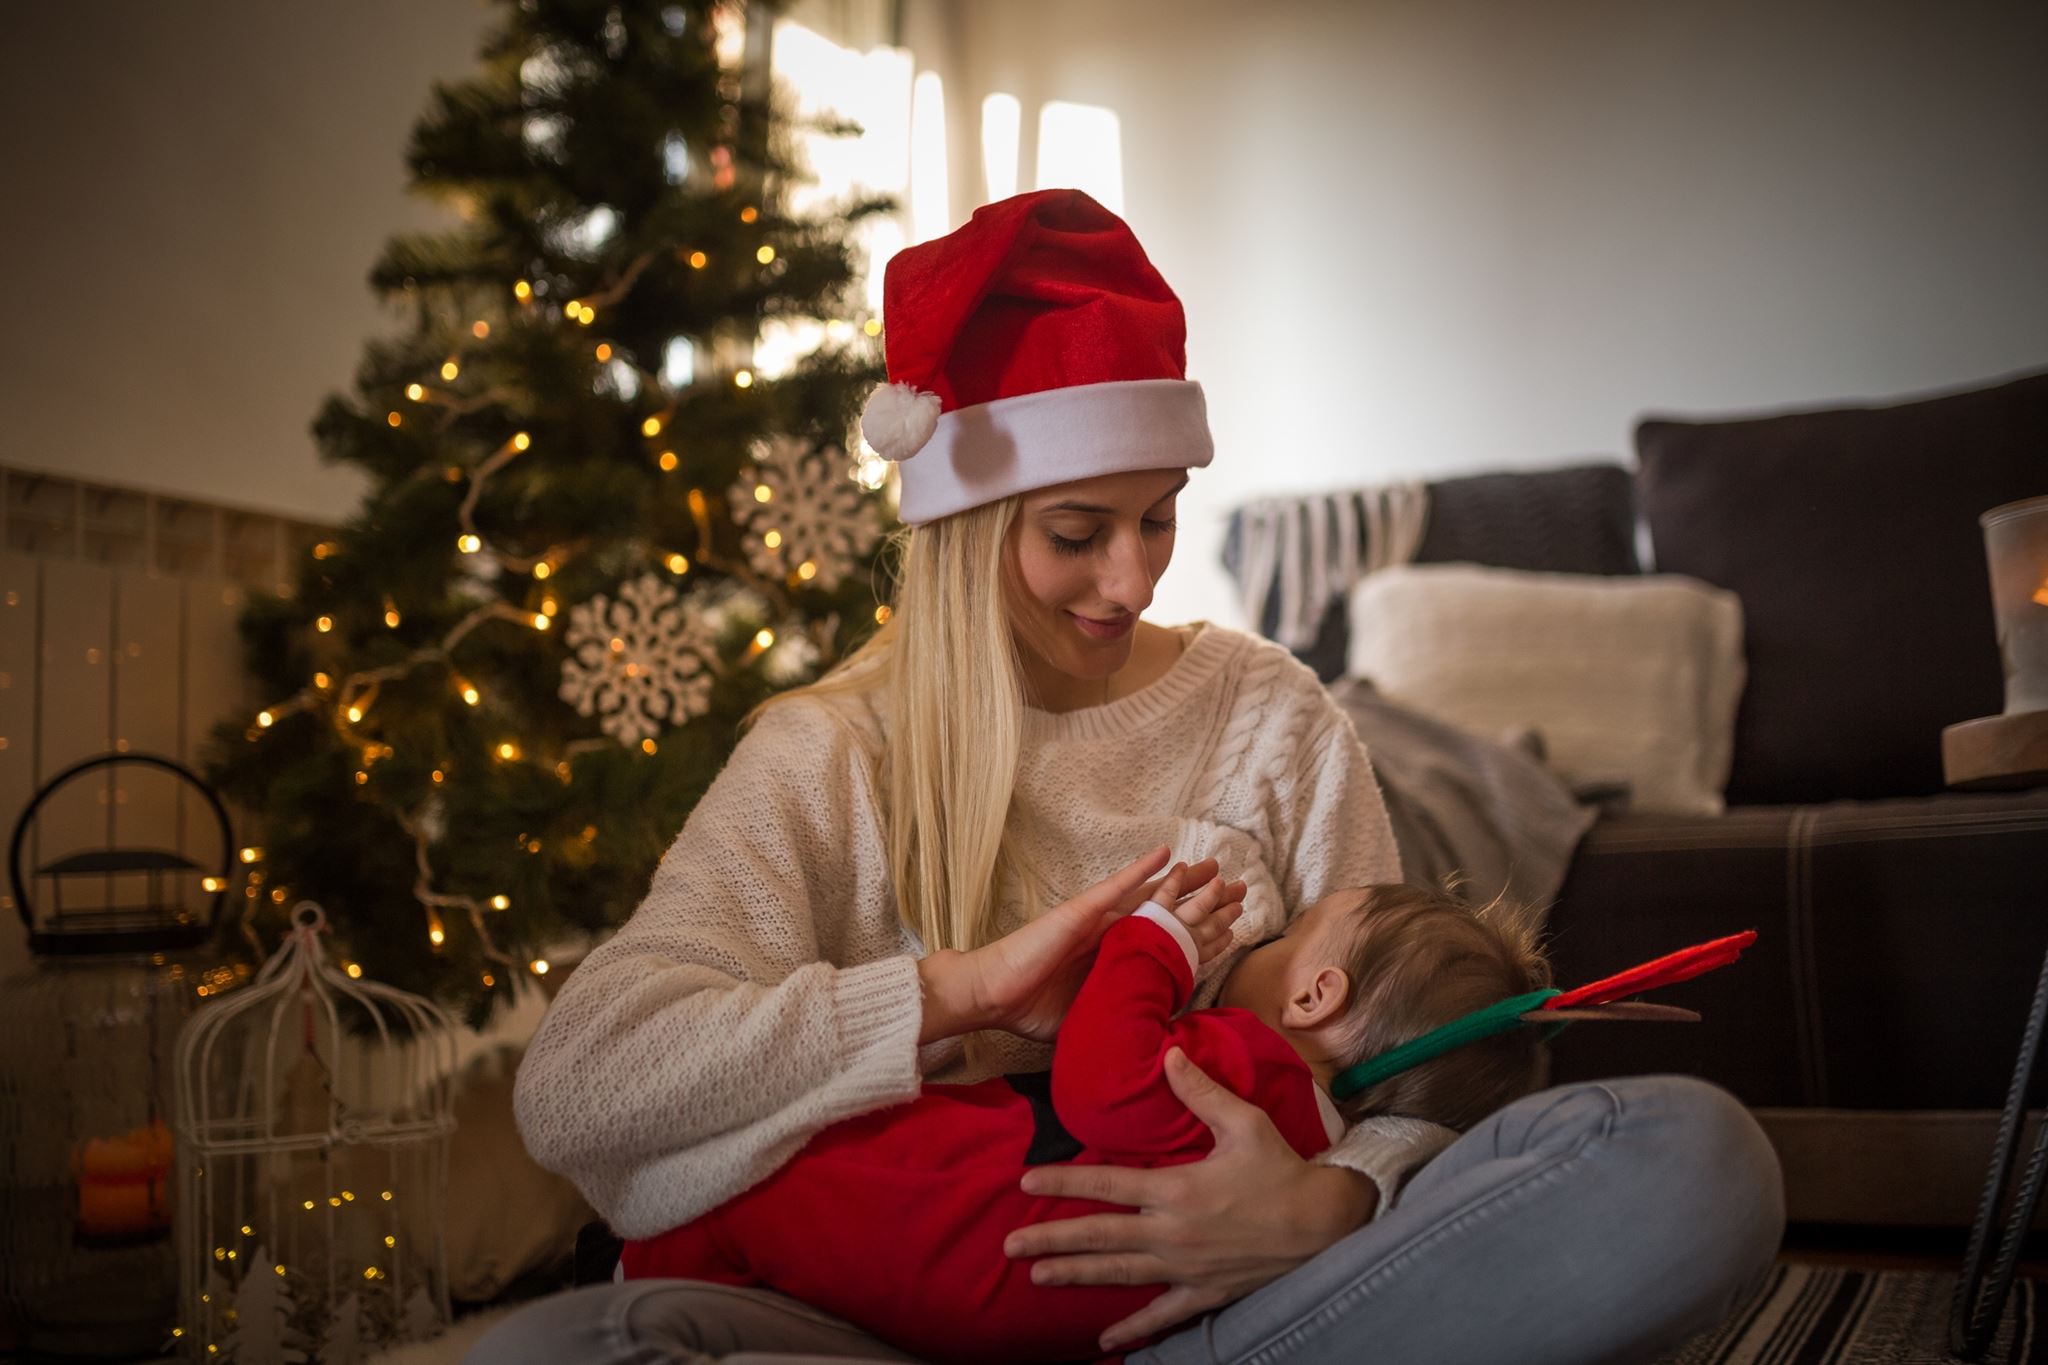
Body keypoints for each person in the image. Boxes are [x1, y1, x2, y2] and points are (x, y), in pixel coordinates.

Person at [473, 189, 1784, 1365]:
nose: (1132, 577)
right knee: (556, 1350)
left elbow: (1398, 1062)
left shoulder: (1269, 712)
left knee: (1691, 1165)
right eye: (1077, 533)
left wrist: (1329, 1202)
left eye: (1158, 516)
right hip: (863, 1317)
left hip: (1239, 1306)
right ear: (963, 528)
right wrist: (946, 996)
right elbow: (580, 1085)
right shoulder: (831, 755)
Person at [614, 872, 1556, 1365]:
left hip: (974, 1234)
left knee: (782, 1182)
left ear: (1315, 994)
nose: (1258, 941)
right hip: (1028, 1313)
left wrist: (1155, 947)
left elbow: (1099, 1085)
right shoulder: (1302, 1133)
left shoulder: (1248, 1065)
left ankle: (657, 1260)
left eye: (1284, 933)